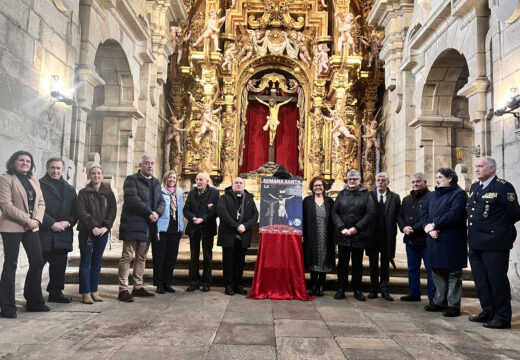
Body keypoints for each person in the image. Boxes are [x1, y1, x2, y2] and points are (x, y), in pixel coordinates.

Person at [467, 157, 520, 329]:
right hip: (475, 243)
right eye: (476, 166)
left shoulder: (503, 187)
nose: (477, 169)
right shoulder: (475, 187)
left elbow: (514, 213)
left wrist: (498, 230)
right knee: (481, 280)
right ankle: (488, 311)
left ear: (491, 169)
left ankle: (502, 317)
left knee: (497, 281)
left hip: (495, 244)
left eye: (481, 166)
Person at [0, 151, 49, 318]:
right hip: (12, 226)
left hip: (31, 226)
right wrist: (27, 219)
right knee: (11, 264)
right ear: (13, 162)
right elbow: (6, 205)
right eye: (21, 160)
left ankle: (34, 302)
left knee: (37, 261)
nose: (25, 163)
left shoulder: (33, 180)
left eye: (28, 161)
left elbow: (41, 202)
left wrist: (37, 220)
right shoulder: (6, 179)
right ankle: (7, 307)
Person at [420, 168, 467, 317]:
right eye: (436, 177)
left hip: (452, 239)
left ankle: (453, 305)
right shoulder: (432, 195)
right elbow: (424, 213)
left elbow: (454, 214)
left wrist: (435, 225)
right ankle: (439, 301)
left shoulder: (459, 194)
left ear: (450, 179)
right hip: (434, 238)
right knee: (437, 271)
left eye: (440, 177)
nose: (437, 180)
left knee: (453, 273)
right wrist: (427, 227)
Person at [117, 154, 165, 302]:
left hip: (148, 226)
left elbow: (162, 201)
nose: (150, 166)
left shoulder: (156, 183)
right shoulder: (132, 180)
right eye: (146, 163)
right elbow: (132, 199)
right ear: (140, 165)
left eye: (152, 163)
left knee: (141, 257)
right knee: (127, 257)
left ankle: (137, 286)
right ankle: (123, 289)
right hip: (133, 223)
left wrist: (157, 212)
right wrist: (149, 213)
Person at [332, 169, 375, 301]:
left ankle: (357, 290)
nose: (351, 181)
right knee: (342, 264)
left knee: (357, 264)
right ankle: (341, 289)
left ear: (359, 180)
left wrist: (356, 228)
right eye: (349, 179)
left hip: (359, 235)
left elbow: (370, 213)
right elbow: (335, 212)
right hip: (343, 235)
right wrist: (342, 227)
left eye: (354, 179)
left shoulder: (366, 195)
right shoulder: (342, 194)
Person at [39, 157, 78, 303]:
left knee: (59, 266)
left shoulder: (70, 189)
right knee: (37, 265)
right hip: (45, 231)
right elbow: (36, 208)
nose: (55, 171)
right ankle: (33, 295)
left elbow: (75, 211)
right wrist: (51, 223)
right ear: (47, 168)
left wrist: (68, 222)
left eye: (58, 168)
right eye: (52, 168)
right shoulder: (39, 185)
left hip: (63, 232)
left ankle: (56, 293)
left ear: (63, 170)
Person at [76, 166, 117, 304]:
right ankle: (85, 292)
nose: (96, 176)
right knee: (86, 261)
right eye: (93, 173)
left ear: (102, 175)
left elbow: (112, 211)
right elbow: (81, 212)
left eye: (99, 173)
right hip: (87, 232)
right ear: (89, 175)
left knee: (97, 261)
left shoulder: (108, 193)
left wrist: (106, 226)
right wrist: (93, 226)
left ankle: (95, 290)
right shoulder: (83, 193)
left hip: (103, 232)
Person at [397, 172, 435, 303]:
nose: (415, 184)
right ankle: (414, 293)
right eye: (413, 182)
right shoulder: (407, 199)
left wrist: (414, 228)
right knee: (412, 268)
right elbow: (399, 215)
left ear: (425, 182)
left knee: (430, 269)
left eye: (418, 181)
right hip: (410, 240)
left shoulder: (431, 197)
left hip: (425, 240)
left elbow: (429, 217)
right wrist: (404, 228)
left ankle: (432, 297)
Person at [217, 177, 258, 296]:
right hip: (229, 235)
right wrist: (236, 226)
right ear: (232, 185)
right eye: (236, 183)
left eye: (241, 183)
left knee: (240, 262)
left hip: (243, 235)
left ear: (244, 185)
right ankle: (228, 286)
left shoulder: (249, 199)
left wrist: (245, 226)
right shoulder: (224, 198)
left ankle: (238, 285)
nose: (239, 185)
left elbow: (255, 215)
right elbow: (222, 213)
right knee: (228, 262)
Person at [367, 172, 400, 301]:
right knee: (373, 264)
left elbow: (398, 215)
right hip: (373, 236)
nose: (380, 182)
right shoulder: (369, 196)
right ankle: (373, 289)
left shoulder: (395, 197)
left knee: (385, 264)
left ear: (388, 182)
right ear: (375, 182)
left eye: (383, 180)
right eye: (378, 180)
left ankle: (385, 290)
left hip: (387, 236)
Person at [184, 172, 220, 292]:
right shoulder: (192, 192)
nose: (198, 182)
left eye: (201, 180)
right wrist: (193, 218)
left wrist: (203, 219)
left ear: (207, 181)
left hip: (207, 227)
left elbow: (215, 211)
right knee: (194, 256)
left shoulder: (214, 193)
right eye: (197, 180)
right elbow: (186, 209)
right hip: (194, 227)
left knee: (207, 255)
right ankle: (194, 281)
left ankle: (206, 282)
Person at [302, 176, 335, 296]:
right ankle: (313, 285)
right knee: (313, 260)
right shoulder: (307, 201)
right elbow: (303, 219)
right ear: (312, 187)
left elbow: (334, 218)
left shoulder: (330, 201)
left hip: (326, 235)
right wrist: (303, 234)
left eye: (320, 185)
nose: (318, 187)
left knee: (324, 261)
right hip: (311, 234)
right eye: (315, 186)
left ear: (324, 187)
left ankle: (321, 285)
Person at [153, 170, 184, 294]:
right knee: (160, 257)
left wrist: (181, 228)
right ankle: (159, 284)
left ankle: (168, 283)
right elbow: (155, 210)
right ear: (166, 178)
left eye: (174, 178)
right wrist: (155, 229)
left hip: (175, 228)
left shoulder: (179, 193)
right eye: (170, 177)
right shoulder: (159, 192)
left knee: (171, 257)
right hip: (162, 229)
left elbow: (180, 211)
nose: (172, 180)